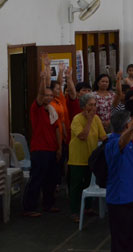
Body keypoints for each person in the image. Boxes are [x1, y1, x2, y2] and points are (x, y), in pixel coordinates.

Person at [23, 55, 62, 217]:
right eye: (46, 95)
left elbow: (58, 130)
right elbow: (40, 94)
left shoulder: (51, 111)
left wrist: (59, 148)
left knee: (50, 179)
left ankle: (48, 204)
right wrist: (45, 69)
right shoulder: (36, 108)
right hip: (39, 149)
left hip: (52, 149)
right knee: (37, 179)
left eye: (50, 96)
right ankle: (29, 208)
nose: (48, 97)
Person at [105, 110, 133, 252]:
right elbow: (121, 142)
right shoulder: (112, 142)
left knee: (132, 238)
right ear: (125, 126)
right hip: (120, 199)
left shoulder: (129, 140)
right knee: (121, 240)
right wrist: (131, 130)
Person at [67, 93, 107, 222]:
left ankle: (87, 208)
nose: (94, 107)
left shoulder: (97, 119)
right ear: (83, 106)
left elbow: (103, 137)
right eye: (91, 105)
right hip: (77, 158)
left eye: (95, 104)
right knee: (76, 186)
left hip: (91, 158)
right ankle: (74, 211)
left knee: (88, 182)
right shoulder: (77, 119)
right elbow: (83, 136)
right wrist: (89, 120)